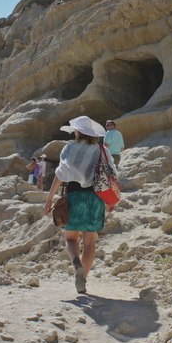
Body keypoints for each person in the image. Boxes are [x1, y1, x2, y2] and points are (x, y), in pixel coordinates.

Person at [44, 115, 117, 294]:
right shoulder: (102, 150)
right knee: (90, 243)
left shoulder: (69, 148)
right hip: (95, 198)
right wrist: (111, 200)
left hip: (73, 196)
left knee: (70, 238)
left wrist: (49, 198)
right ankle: (82, 279)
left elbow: (61, 174)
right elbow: (112, 174)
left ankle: (76, 264)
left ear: (77, 131)